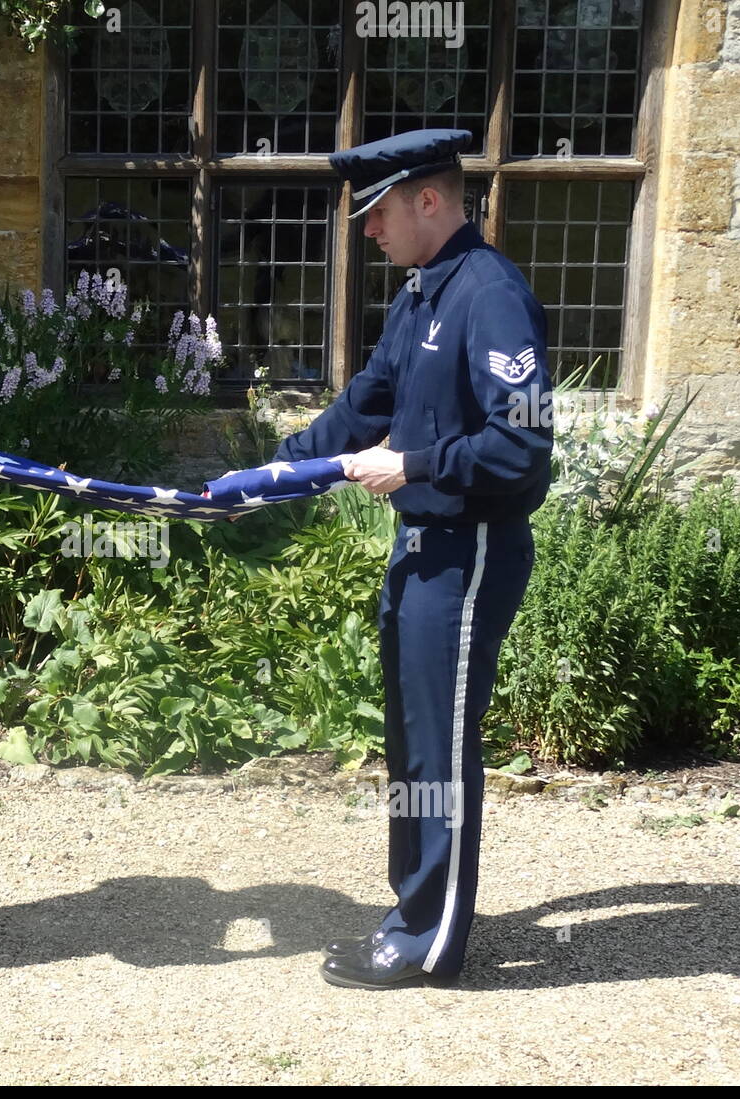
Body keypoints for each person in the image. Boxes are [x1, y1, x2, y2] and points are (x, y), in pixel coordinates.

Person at [271, 129, 553, 988]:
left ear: (429, 201)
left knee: (440, 750)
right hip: (420, 551)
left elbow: (523, 448)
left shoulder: (492, 295)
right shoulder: (419, 296)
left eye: (378, 211)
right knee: (411, 745)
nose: (367, 231)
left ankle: (429, 939)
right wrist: (274, 471)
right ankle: (414, 908)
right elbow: (366, 404)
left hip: (467, 552)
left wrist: (415, 465)